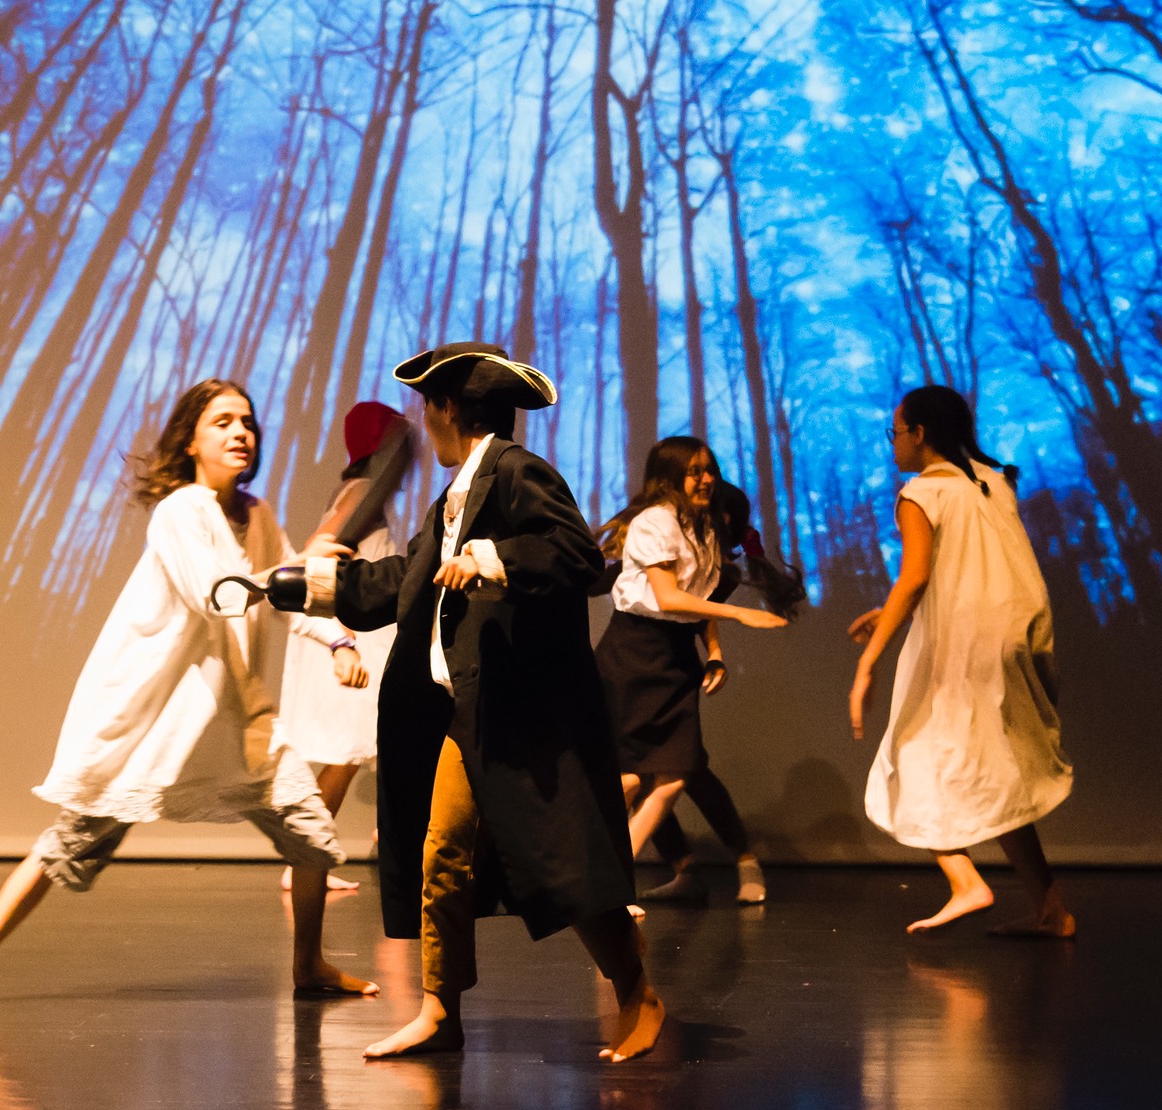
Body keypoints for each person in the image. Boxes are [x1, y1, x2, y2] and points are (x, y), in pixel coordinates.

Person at [0, 379, 377, 1012]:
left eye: (247, 422)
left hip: (240, 723)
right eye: (222, 422)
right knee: (68, 845)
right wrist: (296, 570)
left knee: (312, 836)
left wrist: (338, 639)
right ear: (190, 441)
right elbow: (216, 594)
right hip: (161, 723)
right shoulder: (181, 511)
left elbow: (291, 597)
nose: (240, 432)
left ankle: (308, 965)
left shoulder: (258, 514)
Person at [295, 340, 663, 1062]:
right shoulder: (455, 499)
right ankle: (440, 1011)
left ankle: (637, 993)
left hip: (522, 716)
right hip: (468, 714)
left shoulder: (518, 472)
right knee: (442, 855)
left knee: (563, 862)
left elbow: (578, 556)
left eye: (426, 408)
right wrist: (311, 585)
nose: (423, 423)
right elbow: (401, 580)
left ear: (447, 408)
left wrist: (492, 559)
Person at [850, 384, 1074, 935]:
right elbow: (972, 566)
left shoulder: (922, 492)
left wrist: (868, 662)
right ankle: (1050, 909)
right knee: (997, 769)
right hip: (1013, 633)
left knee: (907, 756)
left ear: (919, 433)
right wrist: (890, 611)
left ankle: (965, 881)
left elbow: (916, 576)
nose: (893, 443)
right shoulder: (993, 482)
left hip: (966, 648)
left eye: (896, 432)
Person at [595, 439, 789, 906]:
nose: (706, 479)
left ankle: (612, 883)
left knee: (677, 773)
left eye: (709, 470)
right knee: (637, 779)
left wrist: (715, 651)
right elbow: (668, 598)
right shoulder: (655, 522)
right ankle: (612, 881)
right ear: (668, 478)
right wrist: (742, 615)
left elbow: (698, 603)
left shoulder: (704, 528)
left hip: (676, 657)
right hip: (632, 655)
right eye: (694, 471)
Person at [272, 402, 408, 894]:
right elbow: (317, 554)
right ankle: (307, 858)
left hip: (358, 637)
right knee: (351, 753)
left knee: (360, 752)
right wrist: (342, 639)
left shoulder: (359, 488)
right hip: (352, 639)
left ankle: (316, 856)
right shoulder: (361, 489)